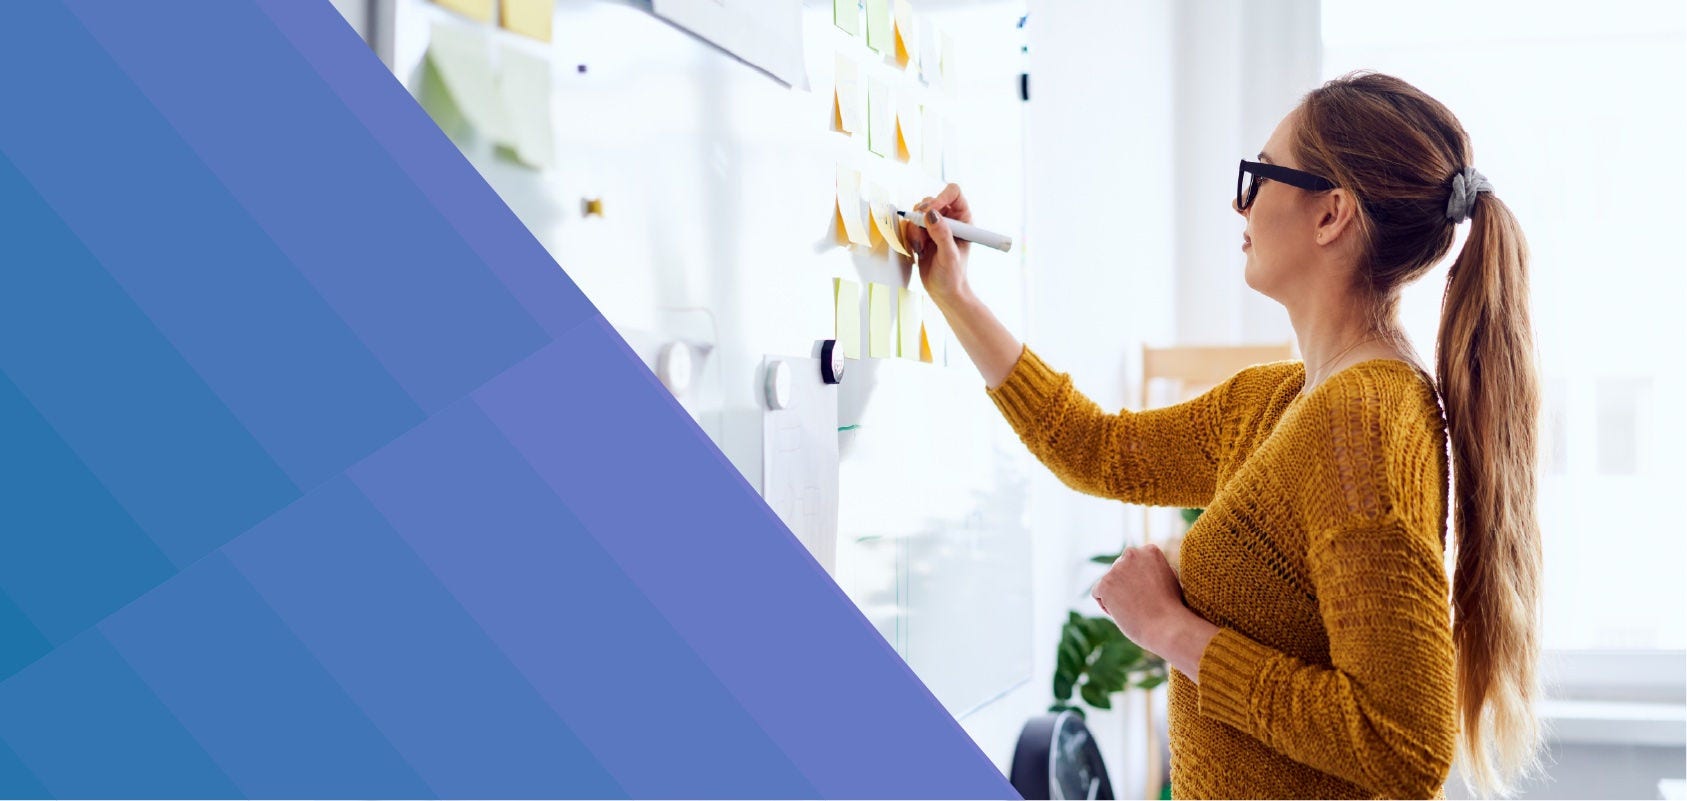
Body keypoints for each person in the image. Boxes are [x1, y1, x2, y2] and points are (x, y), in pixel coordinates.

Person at [900, 71, 1543, 800]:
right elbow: (1096, 448)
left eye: (1259, 175)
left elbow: (1403, 744)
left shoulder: (1362, 424)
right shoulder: (1282, 401)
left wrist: (1172, 631)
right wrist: (956, 295)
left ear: (1331, 213)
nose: (1239, 201)